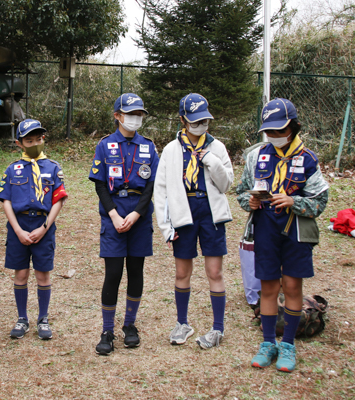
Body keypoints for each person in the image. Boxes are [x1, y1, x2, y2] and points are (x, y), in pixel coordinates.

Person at [236, 98, 329, 372]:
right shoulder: (257, 156)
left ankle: (287, 344)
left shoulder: (308, 159)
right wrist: (248, 202)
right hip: (265, 229)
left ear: (293, 126)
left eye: (280, 130)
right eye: (269, 131)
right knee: (268, 287)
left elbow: (320, 202)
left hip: (295, 232)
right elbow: (241, 190)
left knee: (291, 287)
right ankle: (268, 343)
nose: (274, 136)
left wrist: (294, 202)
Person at [154, 93, 234, 349]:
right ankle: (182, 323)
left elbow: (226, 184)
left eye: (205, 121)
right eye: (195, 121)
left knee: (214, 272)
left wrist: (211, 161)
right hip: (183, 213)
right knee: (182, 272)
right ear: (183, 120)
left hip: (211, 214)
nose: (201, 126)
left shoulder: (217, 147)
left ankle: (218, 328)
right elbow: (162, 190)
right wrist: (166, 227)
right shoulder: (171, 149)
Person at [89, 93, 159, 355]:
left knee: (136, 272)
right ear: (117, 115)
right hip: (114, 215)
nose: (135, 118)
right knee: (114, 273)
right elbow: (99, 183)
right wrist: (115, 215)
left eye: (139, 114)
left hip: (139, 216)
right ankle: (107, 329)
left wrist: (137, 214)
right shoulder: (105, 146)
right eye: (130, 114)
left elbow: (152, 184)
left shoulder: (149, 147)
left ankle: (130, 325)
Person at [0, 119, 68, 340]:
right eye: (29, 140)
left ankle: (43, 318)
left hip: (43, 226)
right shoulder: (12, 169)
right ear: (20, 143)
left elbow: (58, 200)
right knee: (21, 273)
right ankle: (22, 318)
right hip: (19, 226)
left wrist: (44, 228)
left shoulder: (53, 168)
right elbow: (5, 200)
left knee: (42, 274)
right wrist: (17, 230)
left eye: (38, 139)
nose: (35, 143)